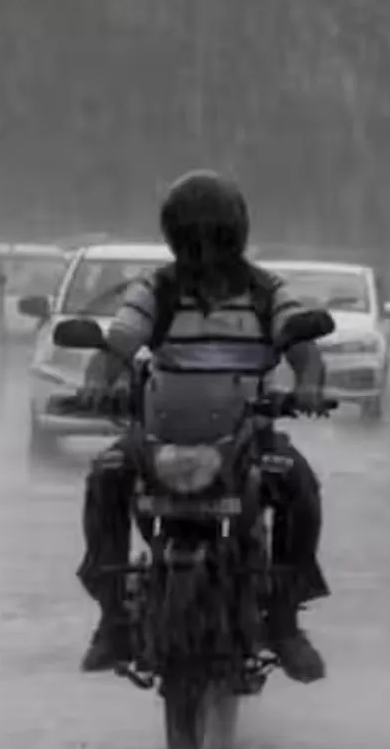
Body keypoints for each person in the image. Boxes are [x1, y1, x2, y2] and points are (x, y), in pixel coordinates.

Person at [75, 171, 331, 683]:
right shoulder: (155, 290)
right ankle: (112, 616)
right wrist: (97, 381)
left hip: (245, 438)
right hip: (159, 434)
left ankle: (283, 619)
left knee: (298, 485)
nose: (205, 249)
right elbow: (117, 345)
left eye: (214, 235)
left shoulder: (267, 292)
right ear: (174, 237)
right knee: (106, 476)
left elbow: (305, 352)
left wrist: (308, 386)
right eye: (192, 237)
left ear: (235, 235)